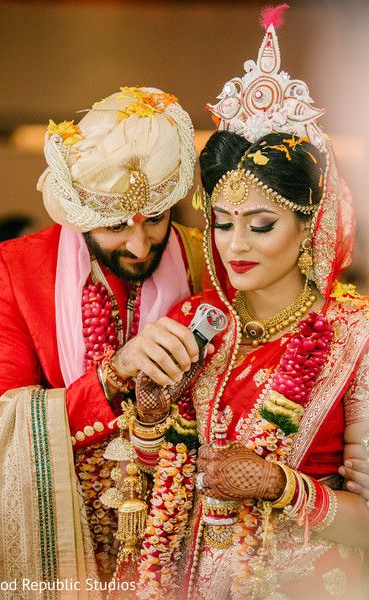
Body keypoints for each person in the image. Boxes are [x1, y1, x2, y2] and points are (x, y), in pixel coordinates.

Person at [121, 8, 369, 599]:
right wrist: (152, 420)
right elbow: (156, 478)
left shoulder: (355, 337)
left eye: (261, 224)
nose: (235, 246)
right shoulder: (194, 320)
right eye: (223, 223)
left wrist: (279, 486)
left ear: (311, 225)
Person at [0, 87, 204, 593]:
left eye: (156, 219)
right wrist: (112, 375)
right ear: (78, 213)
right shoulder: (15, 270)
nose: (140, 246)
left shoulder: (207, 259)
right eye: (116, 225)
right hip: (62, 535)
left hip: (184, 535)